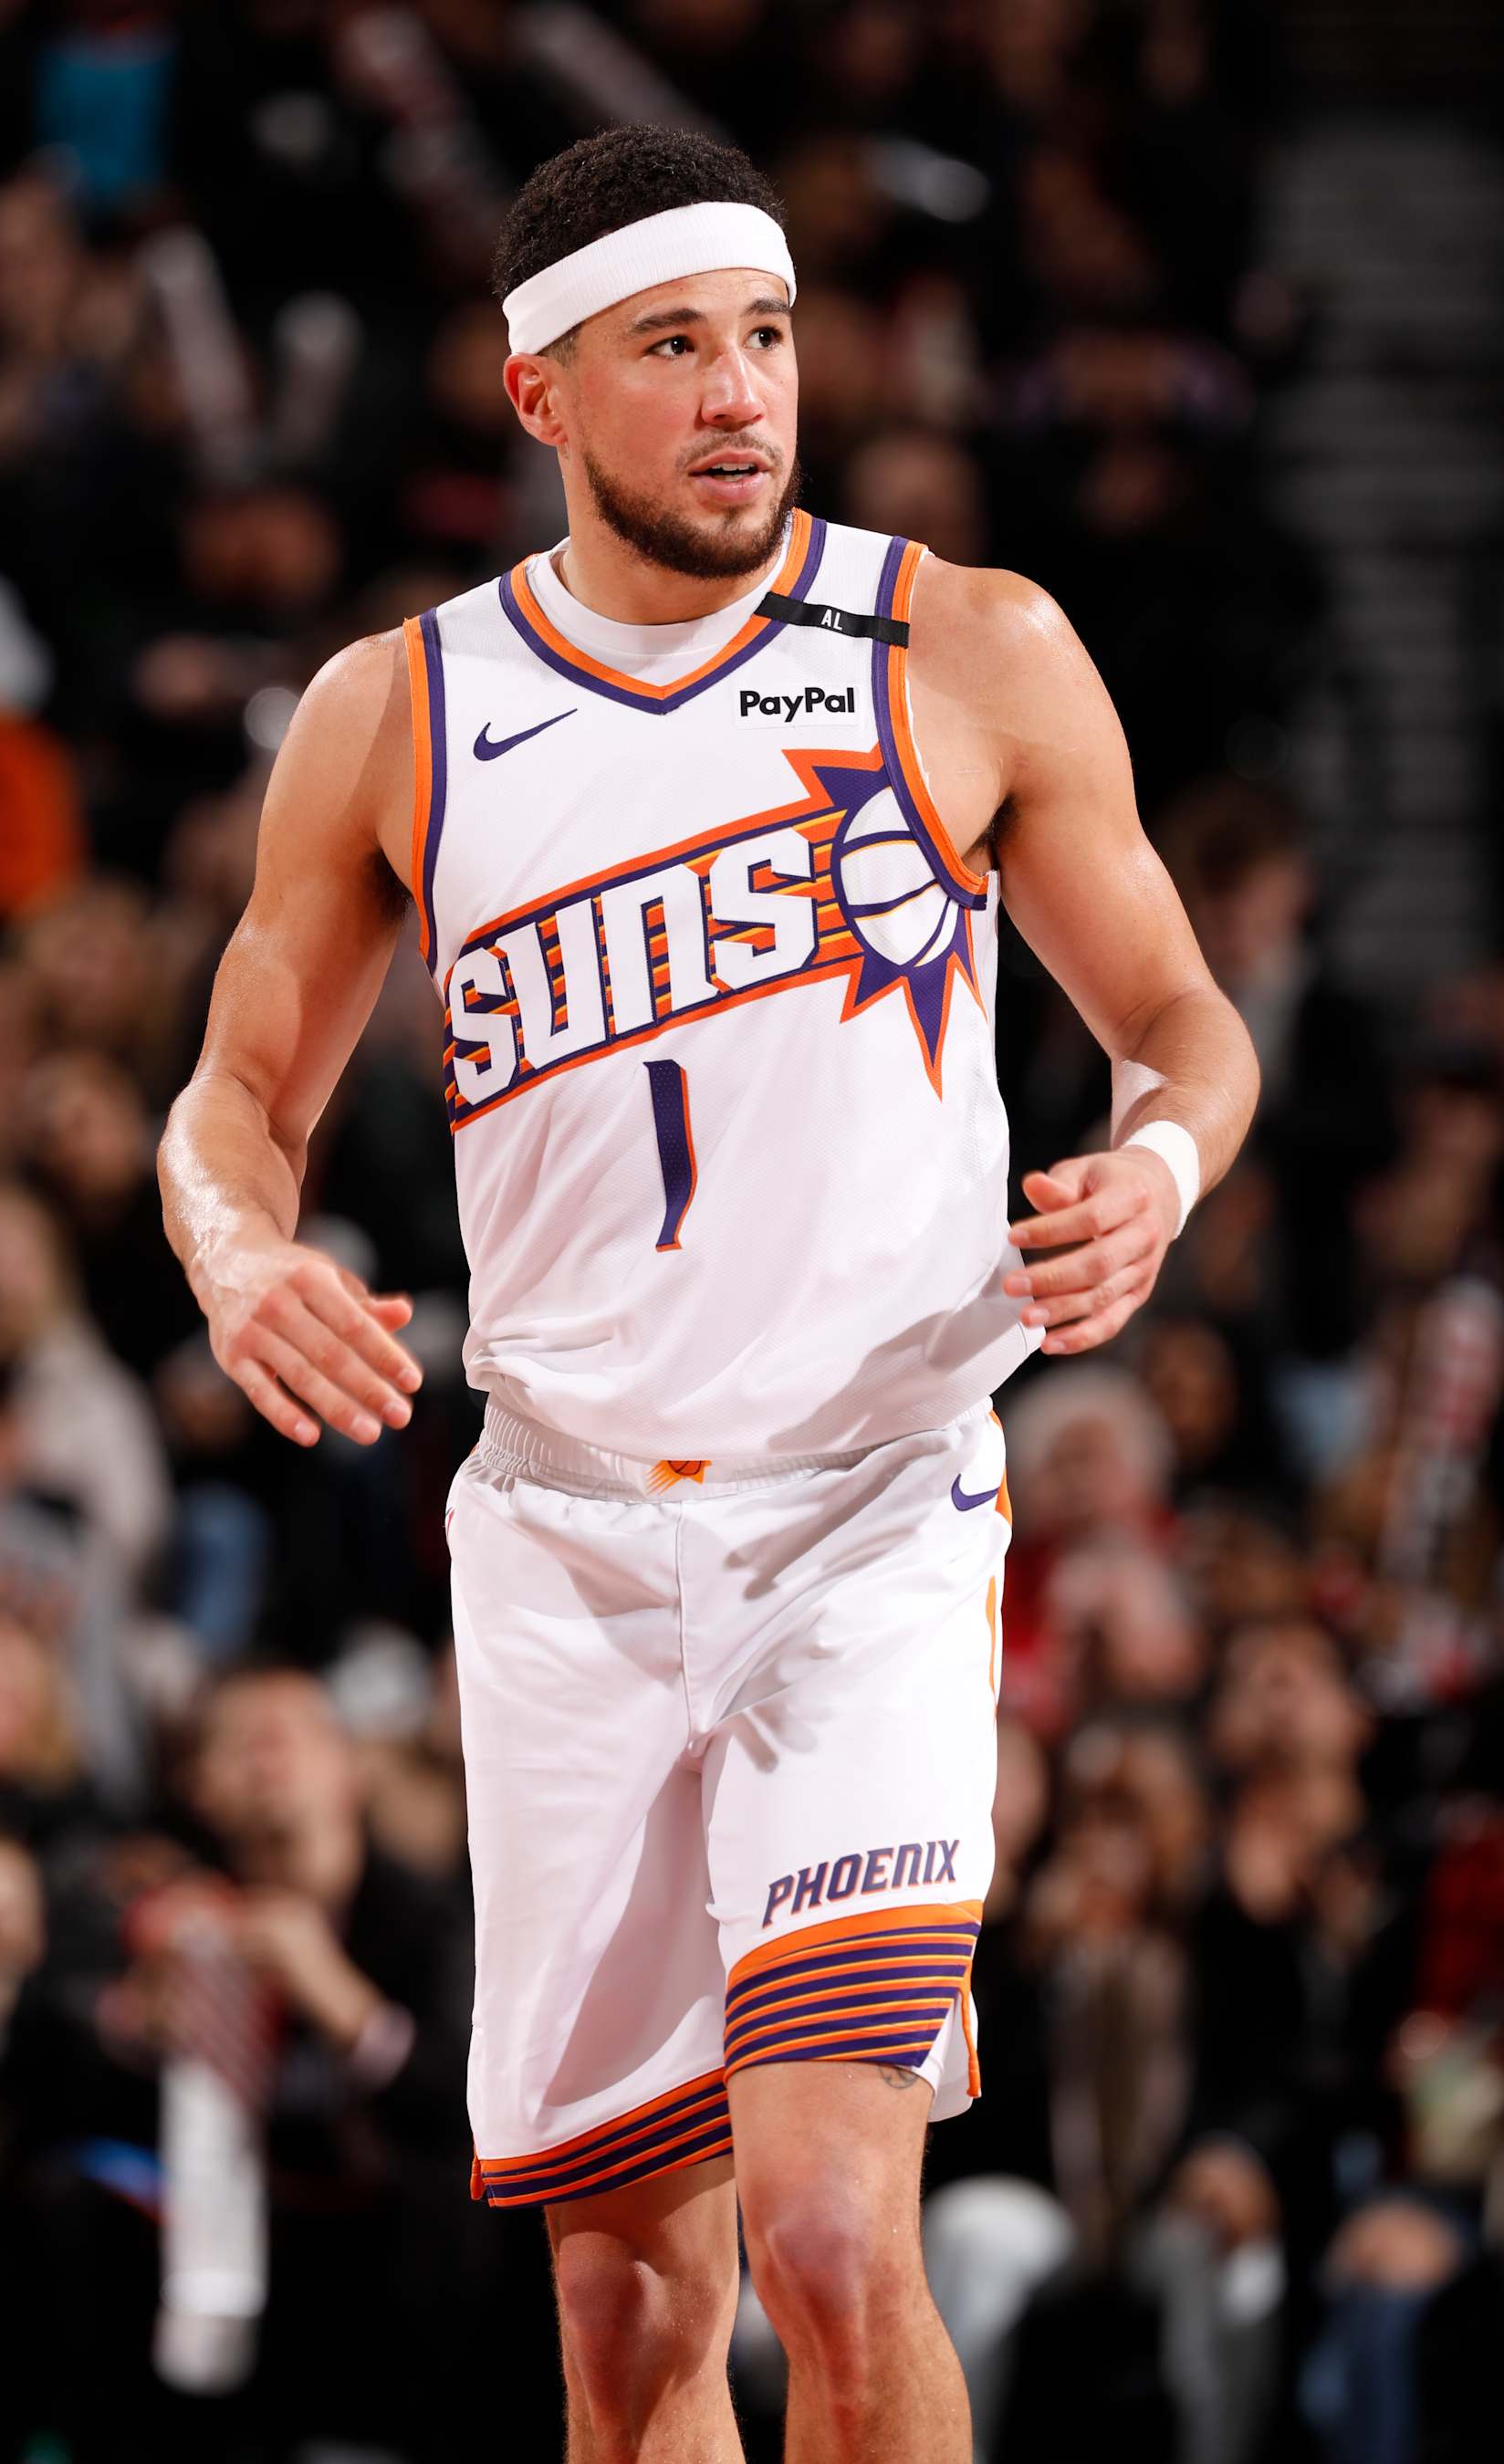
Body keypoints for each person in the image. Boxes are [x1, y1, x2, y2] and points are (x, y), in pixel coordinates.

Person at [159, 123, 1258, 2464]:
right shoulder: (401, 714)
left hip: (868, 1514)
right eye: (675, 348)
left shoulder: (960, 644)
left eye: (763, 337)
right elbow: (229, 1098)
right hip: (561, 1539)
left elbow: (1190, 1023)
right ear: (541, 393)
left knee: (842, 2241)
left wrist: (1158, 1170)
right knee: (629, 2325)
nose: (743, 391)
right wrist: (240, 1253)